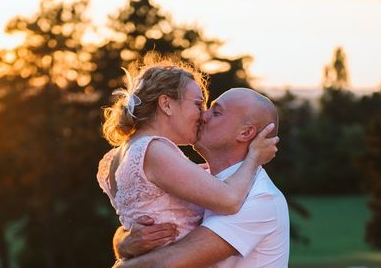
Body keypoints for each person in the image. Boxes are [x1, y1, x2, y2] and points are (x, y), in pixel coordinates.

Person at [97, 58, 278, 252]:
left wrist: (122, 243)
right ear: (166, 104)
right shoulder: (154, 150)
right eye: (198, 104)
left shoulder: (121, 154)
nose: (202, 115)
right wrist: (254, 156)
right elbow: (230, 200)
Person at [113, 88, 290, 268]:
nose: (203, 116)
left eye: (216, 112)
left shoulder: (260, 198)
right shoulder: (203, 182)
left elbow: (167, 262)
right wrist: (122, 243)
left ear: (245, 133)